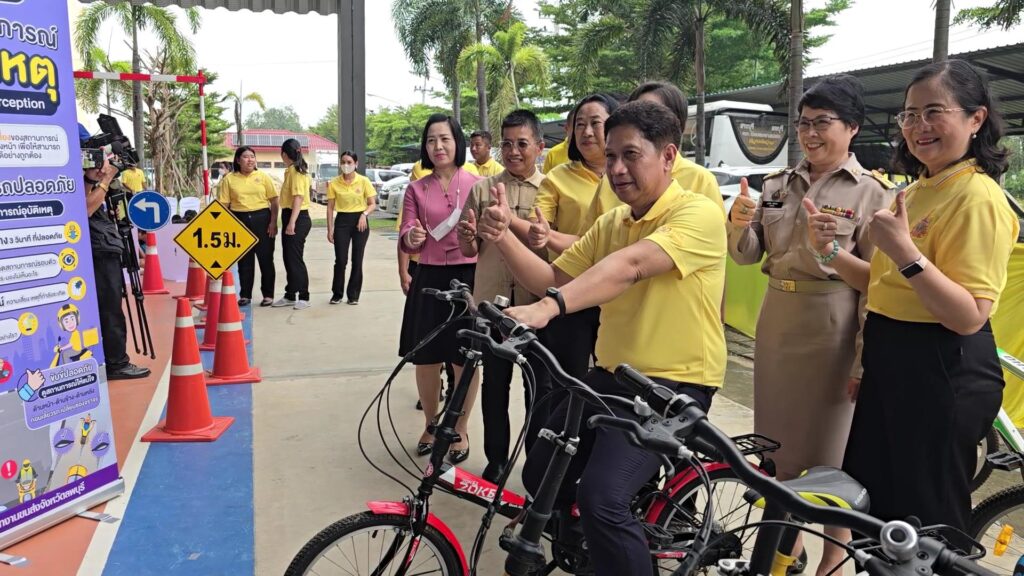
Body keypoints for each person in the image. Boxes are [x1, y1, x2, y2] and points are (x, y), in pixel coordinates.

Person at [477, 100, 726, 576]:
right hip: (615, 378)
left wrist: (549, 308)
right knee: (541, 470)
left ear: (668, 156)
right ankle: (594, 553)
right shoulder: (614, 222)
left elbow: (628, 267)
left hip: (674, 386)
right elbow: (550, 277)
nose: (616, 168)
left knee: (603, 498)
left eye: (630, 155)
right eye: (611, 156)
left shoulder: (698, 213)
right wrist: (504, 234)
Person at [819, 60, 1017, 535]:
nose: (918, 126)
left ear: (976, 118)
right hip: (895, 359)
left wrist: (906, 252)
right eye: (909, 114)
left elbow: (969, 315)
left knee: (926, 523)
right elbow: (885, 286)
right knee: (879, 510)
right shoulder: (922, 188)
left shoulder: (978, 197)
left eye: (933, 112)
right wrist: (827, 251)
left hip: (941, 366)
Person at [728, 75, 895, 575]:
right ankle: (786, 550)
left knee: (829, 457)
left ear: (852, 127)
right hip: (778, 320)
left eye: (823, 123)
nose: (810, 133)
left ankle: (833, 561)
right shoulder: (776, 184)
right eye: (803, 123)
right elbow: (748, 255)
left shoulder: (872, 194)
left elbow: (876, 285)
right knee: (777, 450)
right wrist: (737, 223)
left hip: (833, 328)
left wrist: (863, 362)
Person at [456, 109, 552, 483]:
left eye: (522, 144)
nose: (513, 152)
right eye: (507, 144)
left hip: (535, 307)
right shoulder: (482, 189)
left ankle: (536, 464)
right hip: (491, 306)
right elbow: (469, 249)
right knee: (494, 386)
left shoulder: (552, 190)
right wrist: (467, 237)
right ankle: (496, 460)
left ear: (539, 147)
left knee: (538, 390)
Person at [502, 93, 620, 380]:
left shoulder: (626, 176)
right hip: (569, 288)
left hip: (619, 294)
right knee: (564, 380)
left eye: (595, 123)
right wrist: (538, 232)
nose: (586, 132)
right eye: (579, 124)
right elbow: (537, 225)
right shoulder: (558, 177)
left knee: (615, 380)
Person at [399, 114, 482, 463]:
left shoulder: (478, 184)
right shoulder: (416, 189)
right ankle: (431, 425)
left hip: (469, 278)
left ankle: (459, 429)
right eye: (431, 140)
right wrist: (411, 237)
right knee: (427, 358)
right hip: (429, 278)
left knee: (465, 359)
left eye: (445, 139)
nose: (438, 146)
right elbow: (405, 231)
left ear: (457, 142)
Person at [84, 159, 150, 380]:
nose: (103, 167)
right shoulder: (86, 183)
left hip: (106, 250)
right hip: (99, 253)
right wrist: (105, 180)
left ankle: (113, 359)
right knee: (110, 309)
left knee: (112, 307)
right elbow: (85, 209)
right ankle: (116, 363)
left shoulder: (96, 185)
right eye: (99, 162)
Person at [217, 146, 279, 307]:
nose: (250, 160)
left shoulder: (263, 177)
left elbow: (274, 200)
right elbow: (224, 205)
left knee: (266, 259)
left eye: (252, 156)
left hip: (262, 219)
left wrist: (273, 222)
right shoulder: (229, 179)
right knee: (244, 260)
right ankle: (245, 295)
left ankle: (268, 295)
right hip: (239, 219)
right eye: (246, 157)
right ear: (238, 160)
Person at [327, 151, 376, 305]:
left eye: (349, 162)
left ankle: (353, 295)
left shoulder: (364, 181)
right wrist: (330, 229)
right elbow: (330, 208)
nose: (346, 165)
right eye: (343, 162)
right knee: (341, 260)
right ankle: (337, 294)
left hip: (360, 221)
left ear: (356, 164)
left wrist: (364, 214)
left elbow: (372, 204)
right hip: (342, 221)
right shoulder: (334, 183)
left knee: (357, 259)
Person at [272, 138, 313, 310]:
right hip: (291, 215)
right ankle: (290, 294)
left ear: (283, 154)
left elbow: (298, 198)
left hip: (297, 217)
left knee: (295, 259)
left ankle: (304, 296)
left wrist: (292, 223)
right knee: (289, 258)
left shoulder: (296, 172)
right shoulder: (292, 171)